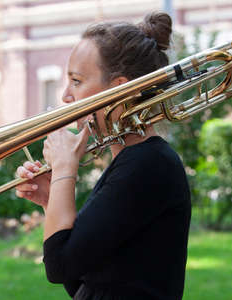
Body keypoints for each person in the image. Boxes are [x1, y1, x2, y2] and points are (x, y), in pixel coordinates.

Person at [15, 12, 191, 300]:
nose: (65, 96)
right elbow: (81, 278)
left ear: (119, 89)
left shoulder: (148, 165)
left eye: (76, 81)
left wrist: (63, 172)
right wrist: (51, 199)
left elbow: (58, 267)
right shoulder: (132, 160)